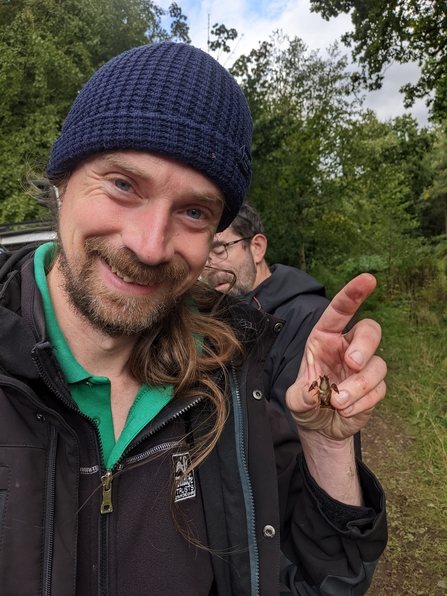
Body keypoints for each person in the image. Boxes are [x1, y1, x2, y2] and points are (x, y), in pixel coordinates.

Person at [0, 42, 387, 595]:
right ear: (62, 182)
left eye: (193, 211)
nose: (152, 246)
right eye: (123, 185)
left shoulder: (229, 376)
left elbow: (318, 581)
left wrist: (326, 442)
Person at [202, 203, 330, 432]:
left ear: (257, 247)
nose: (208, 267)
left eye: (219, 249)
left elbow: (301, 437)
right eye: (202, 256)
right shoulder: (210, 320)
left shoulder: (311, 318)